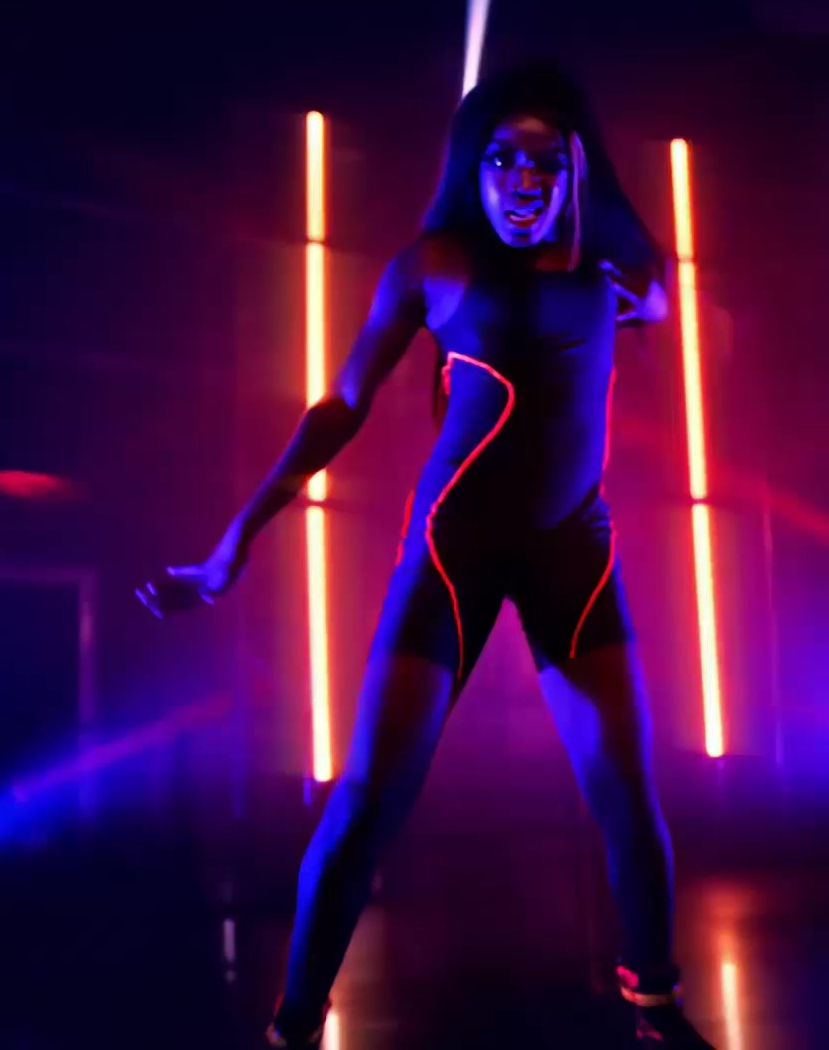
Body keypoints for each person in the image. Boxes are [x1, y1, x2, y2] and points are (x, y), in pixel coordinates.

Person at [137, 63, 714, 1049]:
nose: (522, 179)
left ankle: (656, 1010)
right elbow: (340, 405)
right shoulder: (434, 265)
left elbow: (657, 299)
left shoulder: (612, 268)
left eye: (545, 160)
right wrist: (233, 545)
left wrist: (642, 287)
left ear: (576, 169)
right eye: (502, 159)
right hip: (453, 556)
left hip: (574, 555)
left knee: (629, 797)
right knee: (368, 804)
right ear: (471, 168)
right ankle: (293, 1027)